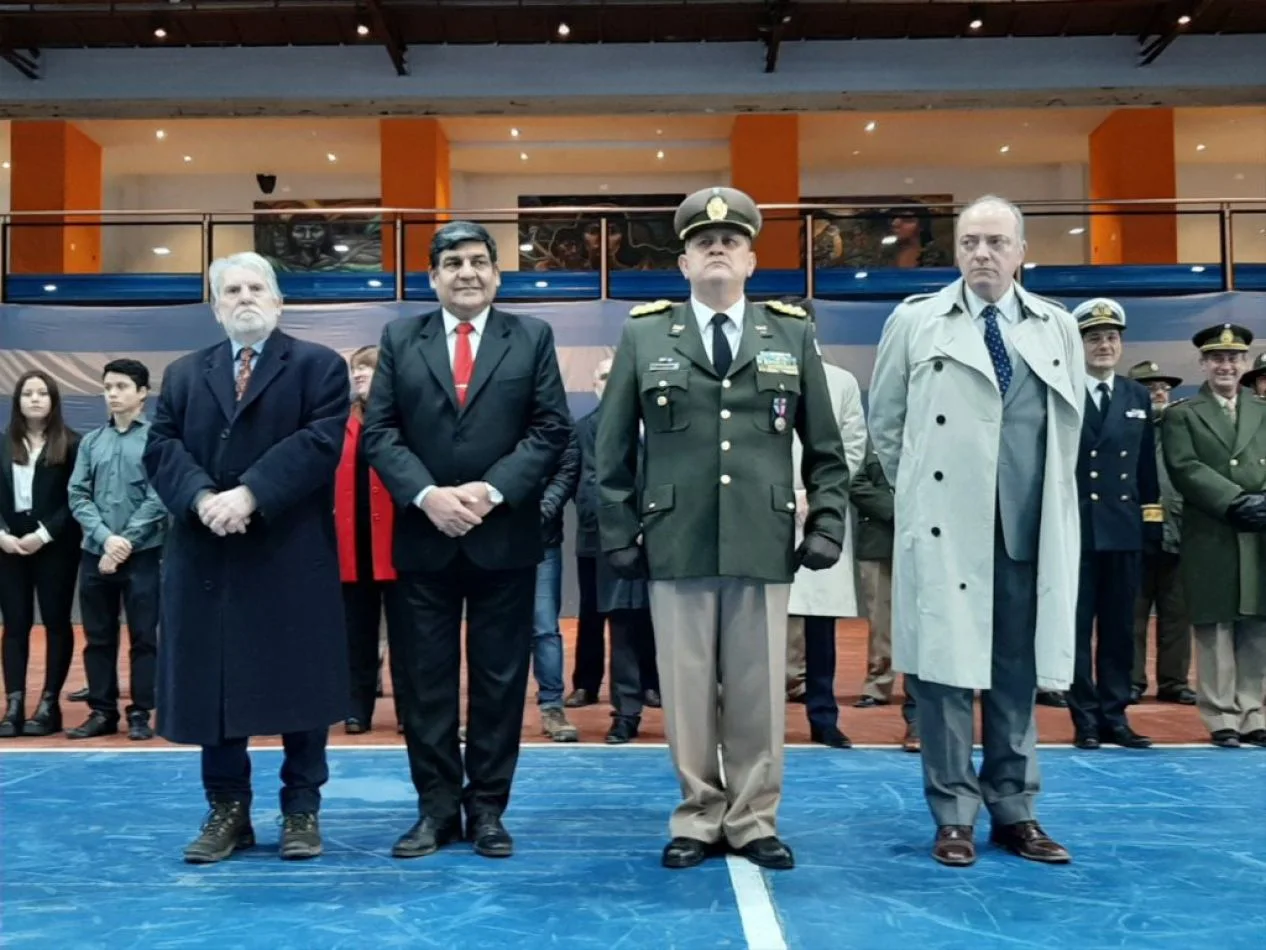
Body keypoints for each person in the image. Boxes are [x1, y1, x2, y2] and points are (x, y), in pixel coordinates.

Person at [596, 186, 850, 871]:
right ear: (682, 264)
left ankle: (753, 817)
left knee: (758, 688)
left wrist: (827, 520)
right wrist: (617, 528)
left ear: (751, 259)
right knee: (684, 687)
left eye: (730, 242)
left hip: (761, 538)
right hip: (675, 536)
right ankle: (698, 813)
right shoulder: (645, 332)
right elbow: (612, 446)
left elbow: (826, 446)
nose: (717, 248)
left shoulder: (790, 331)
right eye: (703, 242)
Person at [868, 194, 1083, 868]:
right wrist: (922, 501)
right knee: (943, 678)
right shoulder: (915, 322)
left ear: (1021, 252)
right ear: (955, 252)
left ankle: (1016, 810)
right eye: (970, 243)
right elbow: (886, 427)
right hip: (945, 528)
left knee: (1016, 676)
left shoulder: (1058, 328)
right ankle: (953, 815)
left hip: (1025, 527)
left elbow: (1065, 433)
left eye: (996, 242)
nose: (983, 254)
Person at [361, 221, 571, 860]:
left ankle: (487, 811)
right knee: (424, 684)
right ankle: (434, 811)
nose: (467, 273)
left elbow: (550, 427)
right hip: (424, 537)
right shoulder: (401, 338)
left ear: (497, 274)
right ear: (433, 277)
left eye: (479, 261)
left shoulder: (531, 337)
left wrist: (487, 492)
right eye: (453, 263)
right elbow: (381, 432)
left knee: (499, 681)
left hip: (501, 538)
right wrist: (428, 496)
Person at [143, 251, 351, 864]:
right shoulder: (184, 374)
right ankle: (227, 810)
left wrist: (250, 494)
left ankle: (300, 810)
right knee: (215, 688)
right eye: (230, 289)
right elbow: (161, 447)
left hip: (288, 551)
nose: (244, 297)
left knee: (301, 686)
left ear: (279, 299)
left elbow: (319, 443)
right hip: (207, 554)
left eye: (256, 286)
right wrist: (203, 498)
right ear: (215, 307)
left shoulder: (319, 367)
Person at [1161, 323, 1266, 749]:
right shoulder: (1182, 414)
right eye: (1217, 358)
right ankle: (1221, 714)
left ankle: (1253, 711)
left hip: (1259, 530)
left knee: (1256, 624)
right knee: (1215, 626)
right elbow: (1184, 467)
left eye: (1233, 358)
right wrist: (1235, 500)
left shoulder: (1262, 410)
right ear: (1203, 364)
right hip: (1213, 528)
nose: (1225, 365)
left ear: (1244, 363)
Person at [1065, 299, 1160, 750]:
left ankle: (1115, 715)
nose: (1104, 345)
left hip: (1123, 528)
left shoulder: (1136, 395)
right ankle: (1083, 718)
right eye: (1094, 338)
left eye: (1111, 338)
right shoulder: (1063, 390)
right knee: (1078, 629)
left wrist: (1151, 522)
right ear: (1079, 344)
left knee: (1122, 629)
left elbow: (1146, 468)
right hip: (1077, 528)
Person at [65, 359, 167, 741]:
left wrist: (125, 542)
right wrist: (106, 538)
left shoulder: (157, 440)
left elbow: (161, 496)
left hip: (142, 554)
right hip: (95, 553)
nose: (113, 394)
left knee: (144, 636)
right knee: (98, 636)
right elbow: (78, 494)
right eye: (108, 386)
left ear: (142, 393)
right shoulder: (92, 442)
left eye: (122, 386)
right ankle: (101, 711)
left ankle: (141, 711)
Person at [785, 298, 866, 749]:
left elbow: (853, 446)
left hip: (821, 515)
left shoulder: (841, 382)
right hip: (768, 512)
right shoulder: (763, 376)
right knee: (759, 625)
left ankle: (823, 715)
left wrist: (816, 496)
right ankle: (752, 719)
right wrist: (783, 494)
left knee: (821, 629)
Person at [0, 371, 82, 738]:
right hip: (8, 548)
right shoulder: (2, 444)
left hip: (54, 548)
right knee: (15, 625)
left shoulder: (72, 444)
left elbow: (73, 499)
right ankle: (14, 703)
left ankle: (49, 706)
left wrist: (44, 534)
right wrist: (2, 535)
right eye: (27, 393)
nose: (34, 399)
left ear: (53, 401)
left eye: (42, 393)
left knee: (55, 622)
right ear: (17, 400)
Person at [335, 345, 399, 735]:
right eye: (356, 369)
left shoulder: (403, 418)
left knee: (409, 642)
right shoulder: (337, 421)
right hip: (350, 549)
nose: (359, 375)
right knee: (355, 637)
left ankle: (411, 711)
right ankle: (356, 709)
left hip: (395, 548)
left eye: (369, 369)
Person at [1125, 360, 1195, 706]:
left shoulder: (1184, 429)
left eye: (1164, 388)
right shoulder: (1123, 428)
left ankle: (1174, 681)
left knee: (1177, 615)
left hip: (1179, 532)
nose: (1159, 393)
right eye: (1150, 387)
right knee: (1132, 616)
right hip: (1135, 536)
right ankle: (1132, 680)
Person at [849, 438, 920, 752]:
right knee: (881, 615)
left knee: (923, 620)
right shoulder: (872, 444)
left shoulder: (928, 435)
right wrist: (897, 510)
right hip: (880, 537)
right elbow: (856, 482)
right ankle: (878, 684)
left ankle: (924, 688)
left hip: (922, 540)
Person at [532, 427, 581, 742]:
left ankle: (552, 706)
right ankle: (487, 712)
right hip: (492, 538)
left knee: (545, 627)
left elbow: (566, 471)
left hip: (542, 541)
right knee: (493, 629)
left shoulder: (558, 421)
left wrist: (539, 511)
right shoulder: (492, 408)